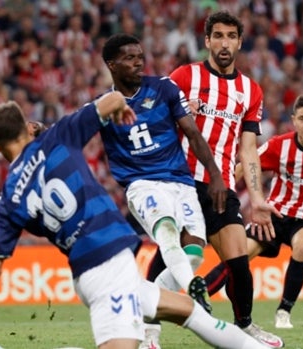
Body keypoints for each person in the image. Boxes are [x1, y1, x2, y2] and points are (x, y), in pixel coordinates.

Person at [0, 95, 271, 349]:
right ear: (28, 128)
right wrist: (119, 108)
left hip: (96, 270)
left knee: (191, 314)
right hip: (107, 267)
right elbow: (111, 99)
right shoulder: (58, 137)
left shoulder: (8, 197)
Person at [147, 11, 284, 348]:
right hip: (180, 182)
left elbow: (249, 150)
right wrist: (177, 114)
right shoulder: (184, 76)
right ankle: (147, 327)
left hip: (220, 186)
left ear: (239, 42)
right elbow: (151, 120)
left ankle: (245, 326)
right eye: (218, 36)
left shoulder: (250, 90)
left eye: (231, 37)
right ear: (206, 40)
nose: (224, 43)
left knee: (238, 260)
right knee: (172, 250)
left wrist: (259, 200)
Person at [98, 33, 227, 320]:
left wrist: (215, 175)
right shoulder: (104, 107)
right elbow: (74, 131)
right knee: (166, 230)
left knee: (193, 254)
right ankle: (194, 286)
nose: (137, 63)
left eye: (139, 57)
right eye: (129, 58)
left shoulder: (164, 88)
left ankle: (144, 315)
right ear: (111, 64)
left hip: (181, 182)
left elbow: (193, 133)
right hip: (141, 184)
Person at [204, 94, 303, 329]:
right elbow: (246, 165)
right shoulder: (278, 146)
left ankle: (284, 311)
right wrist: (222, 189)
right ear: (293, 120)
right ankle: (200, 295)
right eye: (302, 118)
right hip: (274, 215)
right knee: (238, 256)